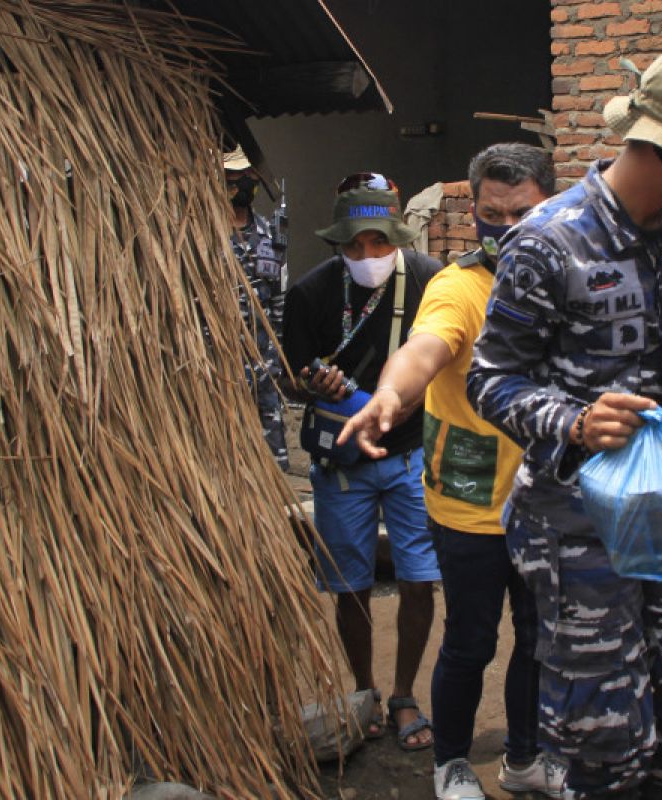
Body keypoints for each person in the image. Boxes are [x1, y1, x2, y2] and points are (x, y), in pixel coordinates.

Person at [466, 45, 662, 798]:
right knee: (605, 737)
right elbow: (490, 379)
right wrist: (573, 420)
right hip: (573, 526)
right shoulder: (547, 240)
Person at [338, 144, 562, 800]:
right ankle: (453, 763)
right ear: (473, 211)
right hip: (472, 504)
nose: (504, 226)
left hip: (547, 497)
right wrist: (388, 394)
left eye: (521, 213)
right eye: (490, 214)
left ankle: (523, 757)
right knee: (471, 639)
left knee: (541, 639)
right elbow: (424, 348)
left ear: (550, 206)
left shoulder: (568, 278)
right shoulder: (460, 286)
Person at [282, 173, 442, 750]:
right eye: (354, 246)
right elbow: (292, 376)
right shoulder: (309, 294)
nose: (367, 255)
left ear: (398, 236)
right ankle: (364, 691)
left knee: (420, 579)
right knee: (349, 586)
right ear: (337, 244)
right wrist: (314, 384)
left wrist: (405, 408)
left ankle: (403, 695)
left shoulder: (429, 282)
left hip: (411, 456)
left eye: (379, 243)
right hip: (340, 464)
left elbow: (447, 364)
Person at [224, 146, 288, 470]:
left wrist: (277, 351)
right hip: (222, 358)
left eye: (248, 175)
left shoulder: (269, 233)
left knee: (272, 461)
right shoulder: (209, 234)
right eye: (235, 177)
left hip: (264, 359)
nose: (244, 182)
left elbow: (278, 297)